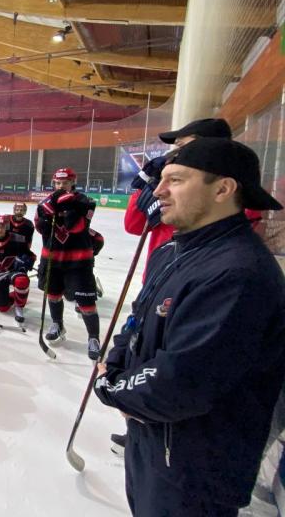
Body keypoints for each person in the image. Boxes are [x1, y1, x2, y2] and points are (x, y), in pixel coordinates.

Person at [94, 137, 285, 517]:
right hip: (154, 441)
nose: (158, 191)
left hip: (193, 470)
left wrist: (112, 387)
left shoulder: (238, 273)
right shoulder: (173, 250)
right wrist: (115, 363)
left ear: (223, 189)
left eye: (176, 180)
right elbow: (138, 320)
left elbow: (182, 381)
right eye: (162, 179)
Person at [125, 118, 233, 277]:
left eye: (182, 147)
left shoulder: (232, 194)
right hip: (158, 277)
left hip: (195, 279)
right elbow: (133, 226)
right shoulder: (165, 188)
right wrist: (144, 187)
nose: (176, 154)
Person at [34, 167, 101, 360]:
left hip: (78, 262)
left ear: (73, 182)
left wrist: (64, 207)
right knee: (53, 294)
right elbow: (40, 226)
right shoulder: (46, 202)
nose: (61, 186)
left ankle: (93, 338)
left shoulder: (86, 202)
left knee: (86, 302)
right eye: (58, 183)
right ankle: (57, 324)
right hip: (52, 259)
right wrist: (50, 210)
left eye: (65, 183)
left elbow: (77, 227)